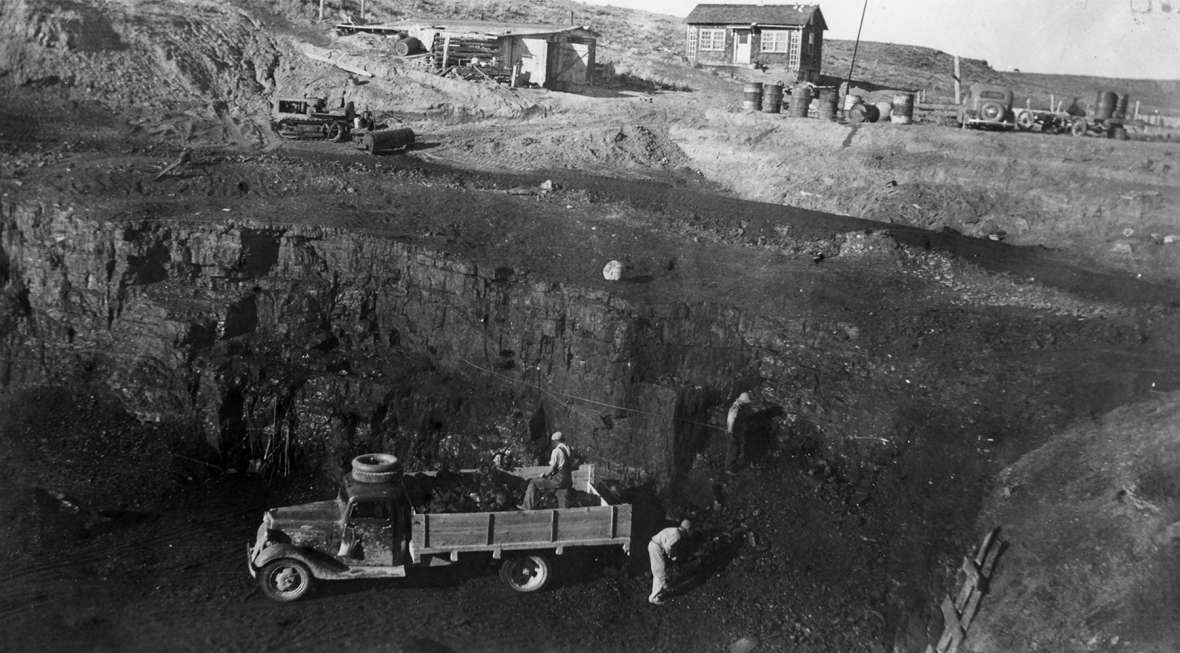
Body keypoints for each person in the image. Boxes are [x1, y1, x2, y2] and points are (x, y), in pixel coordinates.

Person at [521, 432, 572, 510]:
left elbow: (552, 468)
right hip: (568, 480)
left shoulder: (556, 451)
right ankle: (563, 513)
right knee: (561, 492)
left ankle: (526, 507)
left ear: (555, 441)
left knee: (534, 483)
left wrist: (544, 475)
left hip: (559, 480)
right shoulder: (569, 449)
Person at [648, 519, 692, 605]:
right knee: (660, 572)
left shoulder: (673, 529)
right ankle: (654, 598)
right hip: (657, 548)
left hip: (653, 545)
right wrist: (672, 556)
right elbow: (668, 546)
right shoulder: (678, 535)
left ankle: (657, 592)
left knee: (658, 572)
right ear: (687, 529)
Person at [726, 392, 753, 472]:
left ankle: (732, 467)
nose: (745, 404)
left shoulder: (739, 408)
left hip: (735, 431)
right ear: (741, 401)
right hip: (731, 431)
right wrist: (730, 430)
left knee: (736, 449)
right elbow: (731, 419)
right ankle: (729, 468)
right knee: (733, 449)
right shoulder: (735, 407)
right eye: (745, 403)